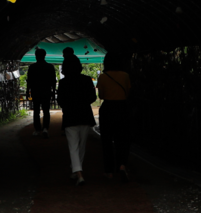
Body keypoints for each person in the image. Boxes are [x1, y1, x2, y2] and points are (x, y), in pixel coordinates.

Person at [56, 54, 96, 186]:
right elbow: (92, 98)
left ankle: (78, 173)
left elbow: (60, 101)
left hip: (70, 116)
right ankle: (77, 171)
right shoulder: (86, 80)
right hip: (85, 115)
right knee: (81, 145)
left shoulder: (63, 83)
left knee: (73, 146)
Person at [96, 51, 134, 181]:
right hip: (122, 108)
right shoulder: (125, 76)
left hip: (108, 108)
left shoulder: (103, 77)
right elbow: (128, 93)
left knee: (106, 140)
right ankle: (122, 165)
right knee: (122, 139)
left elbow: (101, 96)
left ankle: (109, 171)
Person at [25, 47, 56, 137]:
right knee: (46, 111)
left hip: (36, 92)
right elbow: (53, 81)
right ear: (44, 56)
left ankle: (37, 129)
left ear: (36, 56)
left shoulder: (32, 67)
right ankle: (45, 128)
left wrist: (28, 91)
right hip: (46, 91)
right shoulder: (50, 67)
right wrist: (53, 92)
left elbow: (29, 81)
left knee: (36, 111)